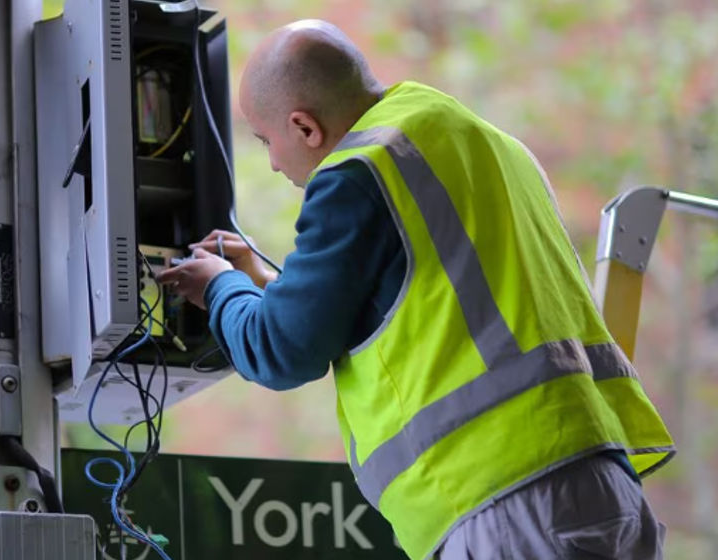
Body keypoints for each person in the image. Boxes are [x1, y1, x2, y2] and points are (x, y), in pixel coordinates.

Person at [155, 19, 675, 560]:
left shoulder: (357, 171)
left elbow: (283, 351)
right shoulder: (481, 143)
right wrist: (262, 283)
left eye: (268, 141)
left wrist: (220, 288)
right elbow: (422, 303)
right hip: (602, 487)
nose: (273, 162)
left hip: (504, 499)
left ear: (305, 128)